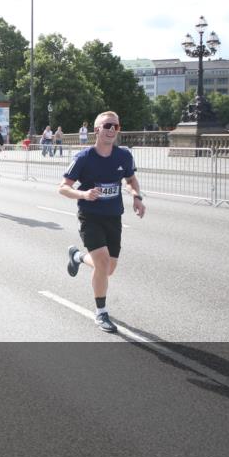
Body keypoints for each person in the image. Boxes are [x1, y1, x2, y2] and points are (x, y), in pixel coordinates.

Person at [60, 111, 146, 333]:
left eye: (115, 127)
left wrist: (136, 196)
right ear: (96, 130)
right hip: (90, 217)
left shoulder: (124, 156)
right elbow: (63, 187)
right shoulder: (84, 158)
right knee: (102, 262)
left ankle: (78, 257)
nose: (111, 130)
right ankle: (101, 313)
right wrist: (84, 194)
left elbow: (130, 179)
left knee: (108, 268)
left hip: (113, 216)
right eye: (107, 125)